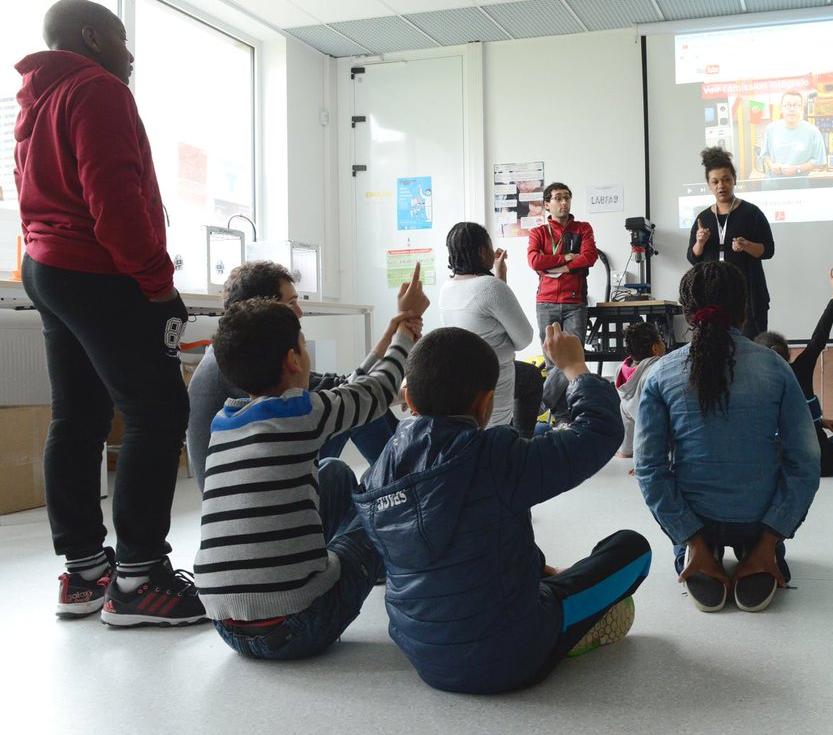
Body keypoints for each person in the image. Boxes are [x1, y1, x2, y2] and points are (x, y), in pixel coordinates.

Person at [15, 0, 202, 625]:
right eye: (123, 39)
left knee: (79, 415)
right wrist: (155, 282)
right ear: (92, 38)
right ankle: (140, 579)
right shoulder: (96, 89)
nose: (131, 55)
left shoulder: (38, 99)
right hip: (97, 269)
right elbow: (114, 196)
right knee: (156, 410)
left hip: (46, 267)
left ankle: (86, 574)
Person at [354, 324, 651, 694]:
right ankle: (570, 632)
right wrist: (574, 367)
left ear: (409, 400)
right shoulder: (500, 458)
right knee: (633, 550)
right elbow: (600, 432)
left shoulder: (379, 471)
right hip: (512, 656)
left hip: (421, 653)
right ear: (486, 404)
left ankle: (545, 583)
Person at [195, 273, 426, 658]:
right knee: (380, 489)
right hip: (299, 626)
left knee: (334, 471)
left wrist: (391, 332)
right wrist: (406, 329)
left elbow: (349, 387)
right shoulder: (299, 414)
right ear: (292, 359)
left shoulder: (225, 421)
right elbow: (380, 390)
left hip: (226, 626)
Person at [635, 262, 820, 613]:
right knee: (768, 519)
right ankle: (763, 552)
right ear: (745, 311)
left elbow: (649, 469)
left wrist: (691, 536)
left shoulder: (661, 374)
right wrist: (769, 538)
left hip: (697, 519)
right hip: (759, 519)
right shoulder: (776, 367)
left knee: (687, 520)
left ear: (687, 316)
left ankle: (697, 551)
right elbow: (806, 462)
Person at [187, 261, 400, 490]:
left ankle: (403, 472)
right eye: (291, 303)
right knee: (355, 406)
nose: (300, 312)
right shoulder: (238, 363)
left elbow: (325, 383)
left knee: (353, 400)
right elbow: (342, 393)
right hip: (259, 484)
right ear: (264, 310)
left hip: (252, 476)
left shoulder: (239, 350)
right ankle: (405, 480)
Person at [754, 270, 833, 475]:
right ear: (788, 354)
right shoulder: (799, 370)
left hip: (780, 468)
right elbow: (820, 335)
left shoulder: (752, 384)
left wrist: (820, 420)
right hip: (820, 463)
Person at [440, 222, 536, 431]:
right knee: (533, 378)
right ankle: (520, 443)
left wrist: (501, 277)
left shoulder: (446, 289)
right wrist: (500, 281)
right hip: (494, 384)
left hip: (464, 384)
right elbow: (524, 339)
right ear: (483, 252)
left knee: (528, 376)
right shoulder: (490, 287)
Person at [687, 147, 775, 339]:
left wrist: (746, 246)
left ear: (734, 180)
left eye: (726, 179)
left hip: (748, 295)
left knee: (752, 347)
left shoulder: (752, 213)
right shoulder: (703, 217)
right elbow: (692, 256)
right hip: (712, 296)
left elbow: (768, 250)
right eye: (715, 181)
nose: (721, 185)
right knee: (714, 348)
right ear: (709, 185)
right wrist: (700, 242)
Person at [527, 182, 597, 416]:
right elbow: (535, 261)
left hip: (574, 302)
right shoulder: (538, 232)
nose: (563, 202)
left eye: (567, 197)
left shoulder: (583, 228)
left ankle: (540, 403)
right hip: (545, 302)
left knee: (571, 356)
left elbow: (589, 257)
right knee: (552, 360)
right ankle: (562, 418)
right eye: (558, 198)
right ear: (547, 204)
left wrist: (561, 269)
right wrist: (566, 257)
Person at [615, 321, 666, 459]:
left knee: (624, 407)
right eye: (662, 341)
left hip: (634, 419)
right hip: (656, 438)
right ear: (655, 348)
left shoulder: (621, 370)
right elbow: (652, 420)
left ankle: (626, 450)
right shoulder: (656, 369)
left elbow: (627, 418)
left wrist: (626, 451)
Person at [761, 90, 827, 177]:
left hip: (800, 186)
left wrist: (797, 169)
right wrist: (772, 166)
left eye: (796, 105)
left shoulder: (813, 131)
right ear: (780, 108)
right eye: (787, 105)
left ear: (802, 108)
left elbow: (819, 162)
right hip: (773, 185)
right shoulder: (771, 129)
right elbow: (765, 155)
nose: (792, 109)